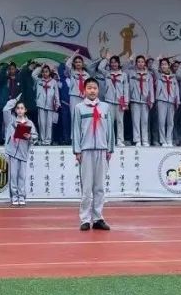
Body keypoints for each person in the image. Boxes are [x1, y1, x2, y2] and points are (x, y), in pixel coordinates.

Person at [71, 77, 114, 231]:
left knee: (100, 186)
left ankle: (98, 218)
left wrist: (110, 148)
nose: (92, 91)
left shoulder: (106, 107)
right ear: (84, 90)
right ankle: (85, 219)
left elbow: (110, 129)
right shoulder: (79, 108)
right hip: (86, 150)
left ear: (98, 90)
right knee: (87, 187)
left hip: (102, 149)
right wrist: (77, 150)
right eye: (89, 88)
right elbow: (76, 130)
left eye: (94, 88)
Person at [3, 97, 37, 206]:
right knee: (13, 175)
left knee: (22, 176)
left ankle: (21, 196)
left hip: (23, 152)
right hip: (12, 152)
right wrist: (14, 100)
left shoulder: (29, 123)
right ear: (15, 110)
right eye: (18, 108)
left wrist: (29, 137)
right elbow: (5, 109)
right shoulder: (11, 120)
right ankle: (14, 196)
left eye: (22, 108)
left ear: (25, 110)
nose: (20, 110)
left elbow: (35, 137)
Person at [94, 52, 128, 147]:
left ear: (119, 63)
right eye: (112, 62)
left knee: (120, 122)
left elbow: (126, 88)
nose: (114, 64)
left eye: (115, 62)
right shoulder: (107, 73)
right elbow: (100, 68)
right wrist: (106, 59)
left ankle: (120, 140)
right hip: (109, 100)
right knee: (109, 121)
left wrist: (126, 101)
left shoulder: (123, 75)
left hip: (120, 101)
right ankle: (110, 139)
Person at [30, 62, 61, 146]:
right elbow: (33, 74)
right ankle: (42, 139)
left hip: (51, 105)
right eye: (43, 72)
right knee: (42, 123)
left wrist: (57, 103)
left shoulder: (53, 82)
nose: (45, 73)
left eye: (46, 71)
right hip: (41, 104)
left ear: (49, 72)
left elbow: (56, 94)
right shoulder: (38, 80)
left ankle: (48, 140)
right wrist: (41, 67)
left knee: (49, 124)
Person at [154, 57, 180, 147]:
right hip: (161, 100)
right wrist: (157, 60)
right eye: (162, 65)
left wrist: (177, 100)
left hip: (171, 101)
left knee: (170, 122)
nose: (164, 66)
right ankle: (163, 140)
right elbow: (154, 69)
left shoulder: (173, 77)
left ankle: (169, 139)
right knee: (161, 121)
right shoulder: (158, 76)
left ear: (169, 65)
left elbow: (177, 90)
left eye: (165, 64)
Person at [0, 61, 20, 145]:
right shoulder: (2, 78)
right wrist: (5, 66)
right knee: (0, 122)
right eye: (9, 69)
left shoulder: (18, 78)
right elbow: (0, 76)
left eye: (13, 69)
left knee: (15, 122)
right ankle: (0, 139)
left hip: (14, 104)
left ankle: (16, 139)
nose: (11, 70)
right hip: (2, 103)